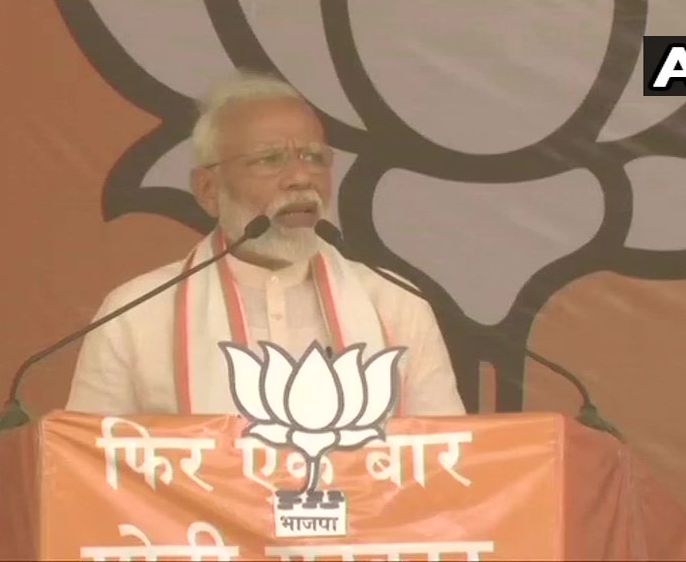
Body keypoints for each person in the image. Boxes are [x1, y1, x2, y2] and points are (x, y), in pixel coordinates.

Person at [66, 70, 466, 417]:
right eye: (269, 159)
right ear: (208, 190)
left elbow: (448, 467)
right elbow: (88, 472)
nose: (300, 178)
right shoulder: (138, 315)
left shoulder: (395, 305)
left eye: (314, 157)